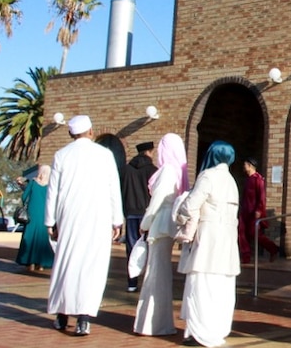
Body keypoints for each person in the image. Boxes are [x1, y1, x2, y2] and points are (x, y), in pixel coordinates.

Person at [45, 115, 124, 336]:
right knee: (91, 268)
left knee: (66, 264)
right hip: (98, 218)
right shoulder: (105, 155)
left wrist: (50, 221)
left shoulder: (61, 155)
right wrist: (116, 219)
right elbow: (113, 188)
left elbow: (53, 191)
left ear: (71, 134)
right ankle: (84, 318)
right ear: (91, 131)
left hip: (68, 217)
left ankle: (62, 316)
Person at [176, 140, 241, 347]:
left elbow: (191, 205)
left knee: (201, 285)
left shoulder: (208, 176)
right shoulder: (232, 180)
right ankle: (216, 329)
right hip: (228, 241)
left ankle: (199, 332)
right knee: (222, 288)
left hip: (208, 238)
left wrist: (181, 217)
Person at [133, 132, 189, 336]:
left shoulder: (167, 171)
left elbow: (156, 201)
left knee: (155, 273)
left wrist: (145, 223)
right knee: (160, 272)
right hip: (168, 224)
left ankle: (152, 323)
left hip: (160, 223)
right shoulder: (177, 171)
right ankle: (157, 321)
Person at [120, 140, 157, 292]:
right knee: (150, 247)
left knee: (131, 248)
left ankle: (132, 282)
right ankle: (148, 281)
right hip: (147, 213)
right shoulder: (153, 170)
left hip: (130, 213)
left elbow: (122, 191)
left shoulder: (126, 169)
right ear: (149, 152)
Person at [238, 158, 279, 263]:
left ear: (250, 166)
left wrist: (259, 209)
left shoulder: (258, 179)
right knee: (241, 233)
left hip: (254, 212)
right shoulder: (247, 179)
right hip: (245, 211)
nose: (244, 167)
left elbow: (261, 196)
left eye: (245, 164)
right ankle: (246, 256)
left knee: (254, 233)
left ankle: (273, 248)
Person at [15, 165, 54, 271]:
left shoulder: (33, 183)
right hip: (44, 214)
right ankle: (41, 264)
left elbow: (24, 197)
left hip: (32, 213)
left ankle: (30, 262)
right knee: (42, 237)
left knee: (30, 236)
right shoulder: (50, 186)